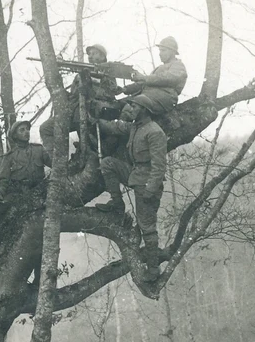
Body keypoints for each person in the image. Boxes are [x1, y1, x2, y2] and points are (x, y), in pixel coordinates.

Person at [94, 94, 167, 281]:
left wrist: (151, 190)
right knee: (108, 164)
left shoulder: (154, 132)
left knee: (147, 227)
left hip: (147, 183)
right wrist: (96, 120)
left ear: (143, 109)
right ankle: (117, 203)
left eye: (134, 107)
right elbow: (116, 126)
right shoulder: (136, 127)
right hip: (135, 175)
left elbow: (159, 166)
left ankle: (153, 269)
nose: (131, 110)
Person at [39, 44, 120, 154]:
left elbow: (109, 95)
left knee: (88, 146)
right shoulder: (81, 74)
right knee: (46, 128)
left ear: (102, 57)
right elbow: (72, 96)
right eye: (89, 54)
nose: (90, 56)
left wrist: (89, 85)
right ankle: (56, 164)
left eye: (94, 53)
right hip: (73, 112)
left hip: (91, 115)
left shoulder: (108, 74)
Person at [122, 36, 187, 115]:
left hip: (165, 98)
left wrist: (143, 77)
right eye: (160, 50)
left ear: (172, 52)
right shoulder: (159, 68)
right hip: (149, 97)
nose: (160, 54)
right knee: (121, 104)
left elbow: (168, 78)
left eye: (163, 50)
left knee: (137, 103)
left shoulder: (178, 65)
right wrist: (126, 89)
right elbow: (145, 83)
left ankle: (125, 126)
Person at [0, 120, 51, 204]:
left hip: (41, 190)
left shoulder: (39, 149)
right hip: (19, 194)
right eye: (22, 130)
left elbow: (54, 164)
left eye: (27, 129)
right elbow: (3, 179)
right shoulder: (9, 156)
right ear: (15, 135)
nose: (26, 132)